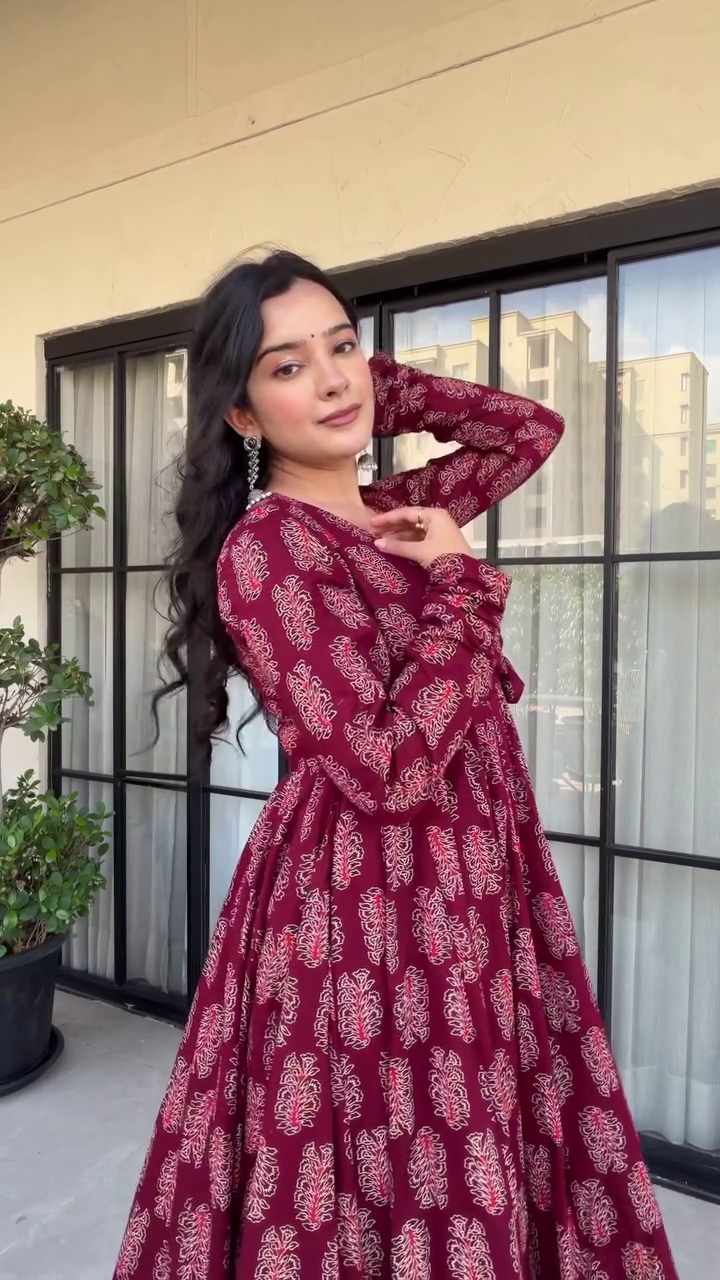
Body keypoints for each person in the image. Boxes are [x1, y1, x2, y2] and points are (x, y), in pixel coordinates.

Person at [114, 251, 678, 1280]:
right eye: (288, 367)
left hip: (472, 874)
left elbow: (528, 431)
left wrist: (375, 389)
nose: (333, 380)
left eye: (343, 348)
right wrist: (460, 583)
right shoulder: (268, 551)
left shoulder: (387, 510)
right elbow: (386, 769)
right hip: (368, 903)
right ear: (241, 413)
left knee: (479, 1137)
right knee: (397, 1160)